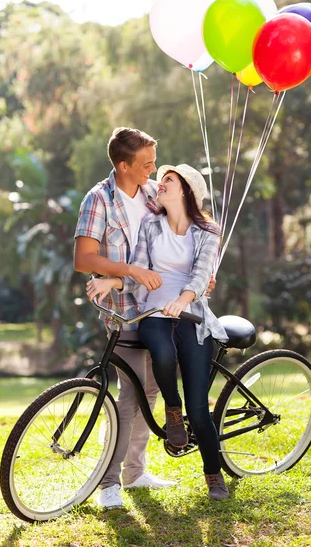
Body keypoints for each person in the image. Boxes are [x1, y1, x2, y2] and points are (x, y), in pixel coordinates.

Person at [86, 164, 230, 501]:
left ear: (185, 191)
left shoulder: (208, 230)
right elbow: (139, 270)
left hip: (192, 315)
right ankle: (172, 409)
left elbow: (200, 274)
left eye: (167, 180)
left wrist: (182, 300)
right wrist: (113, 281)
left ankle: (214, 476)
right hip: (152, 312)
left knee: (200, 411)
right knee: (162, 353)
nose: (158, 185)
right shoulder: (151, 225)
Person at [74, 127, 176, 509]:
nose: (153, 169)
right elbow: (84, 258)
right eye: (146, 163)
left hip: (160, 307)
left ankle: (135, 473)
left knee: (150, 390)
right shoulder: (98, 200)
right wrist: (128, 271)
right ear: (123, 165)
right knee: (131, 393)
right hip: (124, 311)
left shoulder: (153, 194)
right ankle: (108, 484)